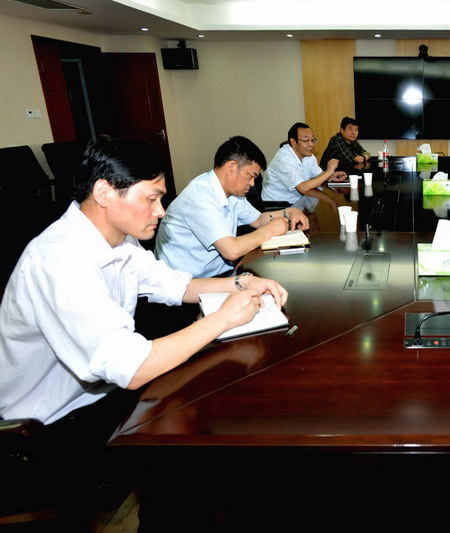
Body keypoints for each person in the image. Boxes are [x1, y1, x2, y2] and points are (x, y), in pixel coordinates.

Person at [0, 139, 289, 524]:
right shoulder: (59, 260)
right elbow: (131, 367)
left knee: (211, 411)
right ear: (104, 192)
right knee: (192, 455)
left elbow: (175, 284)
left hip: (97, 393)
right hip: (46, 425)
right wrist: (221, 319)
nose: (161, 211)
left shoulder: (117, 238)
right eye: (152, 199)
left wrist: (242, 283)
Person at [155, 136, 308, 278]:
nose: (252, 184)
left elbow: (258, 220)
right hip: (186, 286)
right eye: (251, 175)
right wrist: (269, 231)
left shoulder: (232, 193)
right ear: (231, 167)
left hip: (220, 274)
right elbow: (231, 250)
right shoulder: (199, 197)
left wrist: (288, 212)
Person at [262, 122, 346, 205]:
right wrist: (328, 173)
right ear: (293, 142)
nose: (311, 144)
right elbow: (302, 188)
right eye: (306, 141)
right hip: (278, 205)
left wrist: (331, 176)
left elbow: (318, 175)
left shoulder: (308, 155)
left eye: (312, 140)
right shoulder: (284, 159)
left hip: (299, 200)